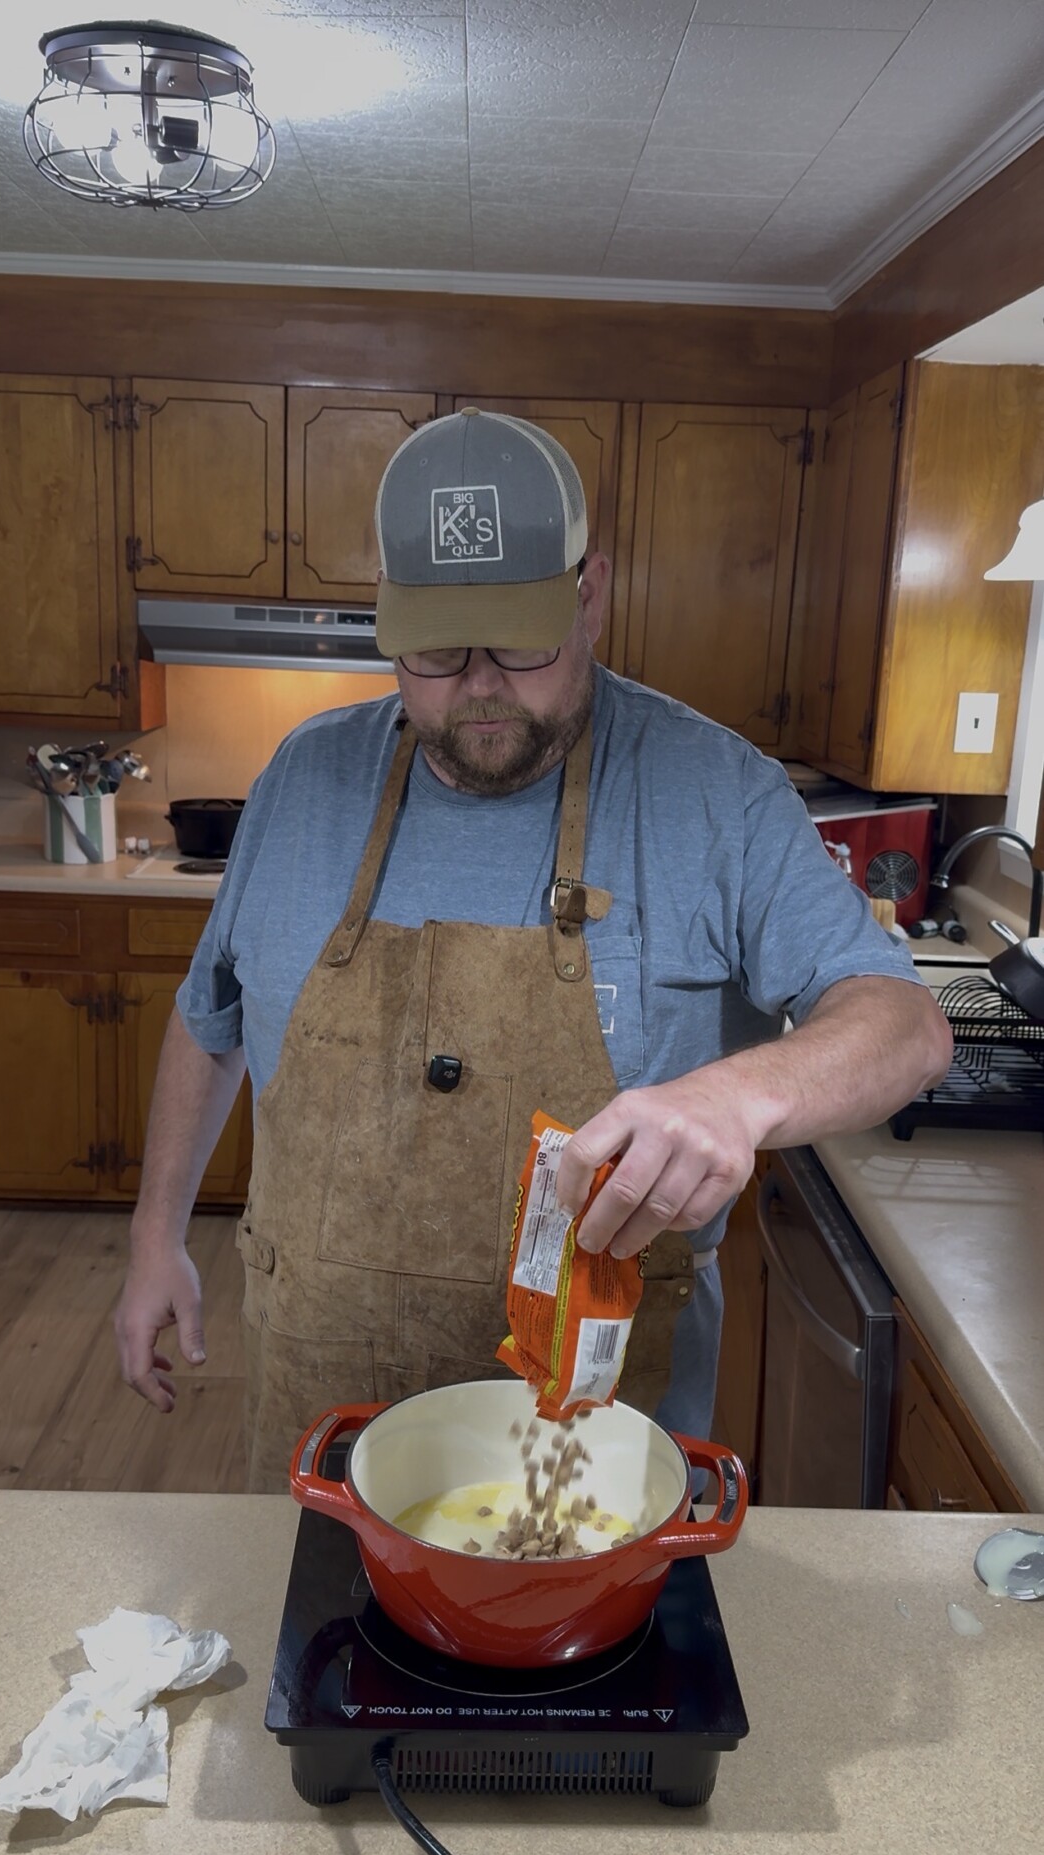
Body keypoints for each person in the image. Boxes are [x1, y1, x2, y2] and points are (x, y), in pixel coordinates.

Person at [114, 407, 953, 1491]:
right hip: (323, 1422)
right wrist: (153, 1237)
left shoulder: (715, 792)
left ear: (589, 594)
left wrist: (738, 1100)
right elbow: (209, 1017)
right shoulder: (301, 781)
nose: (479, 688)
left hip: (593, 1450)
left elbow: (906, 1027)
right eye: (435, 650)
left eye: (520, 640)